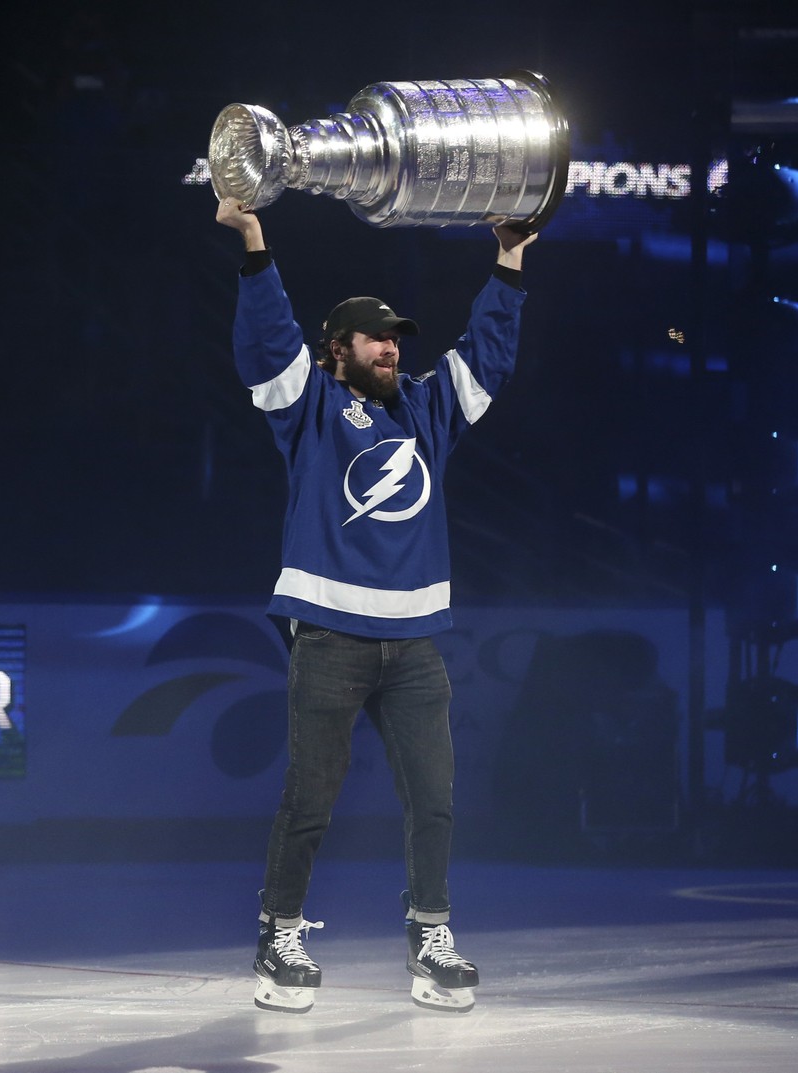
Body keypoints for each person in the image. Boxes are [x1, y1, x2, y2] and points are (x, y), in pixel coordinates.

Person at [215, 194, 537, 1014]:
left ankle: (431, 938)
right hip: (330, 636)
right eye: (376, 337)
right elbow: (264, 339)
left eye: (397, 338)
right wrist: (255, 243)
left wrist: (510, 260)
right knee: (311, 796)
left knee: (435, 796)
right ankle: (277, 935)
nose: (392, 348)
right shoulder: (311, 408)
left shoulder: (426, 410)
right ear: (337, 352)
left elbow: (489, 358)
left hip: (416, 646)